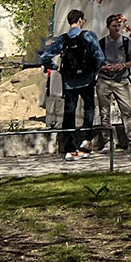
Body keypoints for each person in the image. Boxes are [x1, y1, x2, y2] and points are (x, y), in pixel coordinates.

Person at [40, 9, 104, 160]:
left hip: (69, 82)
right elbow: (100, 57)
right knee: (88, 109)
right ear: (80, 20)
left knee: (70, 113)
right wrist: (93, 71)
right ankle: (85, 141)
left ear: (70, 21)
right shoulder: (89, 36)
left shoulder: (62, 39)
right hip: (87, 81)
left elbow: (45, 57)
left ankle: (70, 149)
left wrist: (57, 68)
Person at [94, 13, 131, 152]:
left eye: (118, 26)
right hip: (104, 81)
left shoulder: (126, 42)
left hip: (121, 81)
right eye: (114, 26)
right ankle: (108, 142)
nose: (117, 29)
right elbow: (96, 62)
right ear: (108, 27)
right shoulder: (102, 43)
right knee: (104, 113)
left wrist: (122, 65)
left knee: (126, 111)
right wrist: (104, 67)